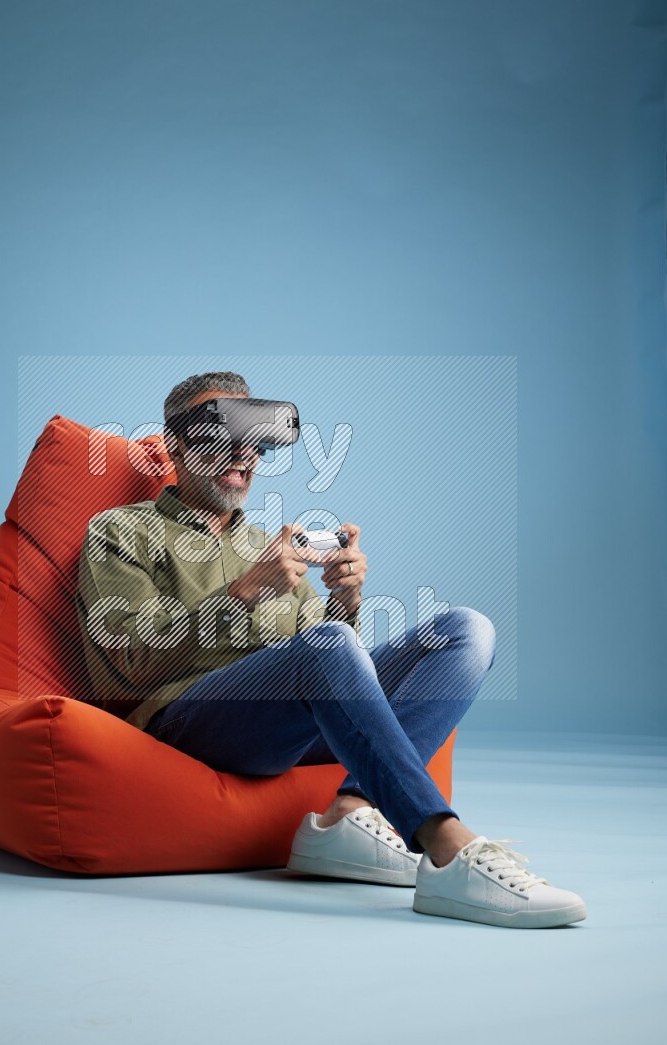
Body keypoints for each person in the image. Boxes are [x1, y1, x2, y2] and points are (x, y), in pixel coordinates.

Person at [76, 371, 587, 929]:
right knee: (327, 643)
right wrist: (244, 593)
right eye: (221, 438)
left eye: (255, 441)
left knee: (466, 630)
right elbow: (130, 662)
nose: (243, 455)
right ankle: (446, 846)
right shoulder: (120, 531)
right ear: (176, 444)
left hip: (283, 728)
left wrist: (347, 600)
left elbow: (334, 668)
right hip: (185, 724)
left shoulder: (269, 546)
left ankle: (350, 811)